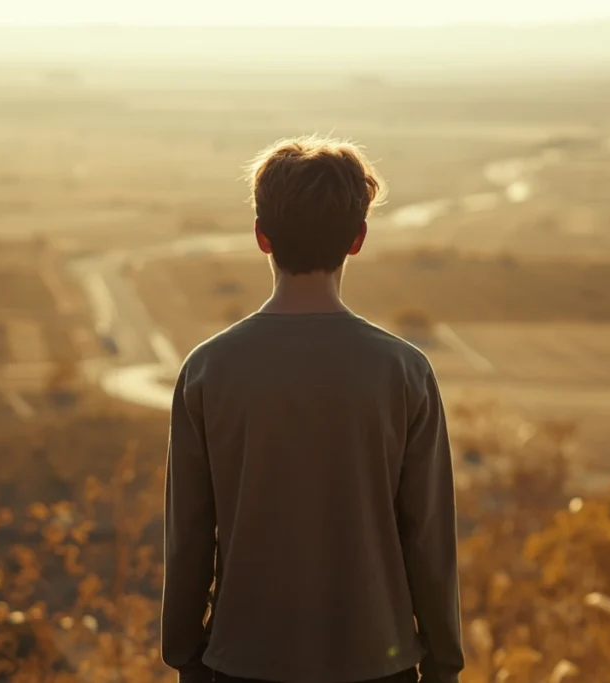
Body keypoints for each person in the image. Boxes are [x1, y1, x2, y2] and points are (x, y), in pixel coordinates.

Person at [161, 135, 463, 683]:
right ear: (358, 238)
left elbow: (189, 533)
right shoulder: (405, 371)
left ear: (261, 237)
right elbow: (428, 536)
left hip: (242, 661)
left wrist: (184, 653)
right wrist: (443, 660)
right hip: (379, 663)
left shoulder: (208, 370)